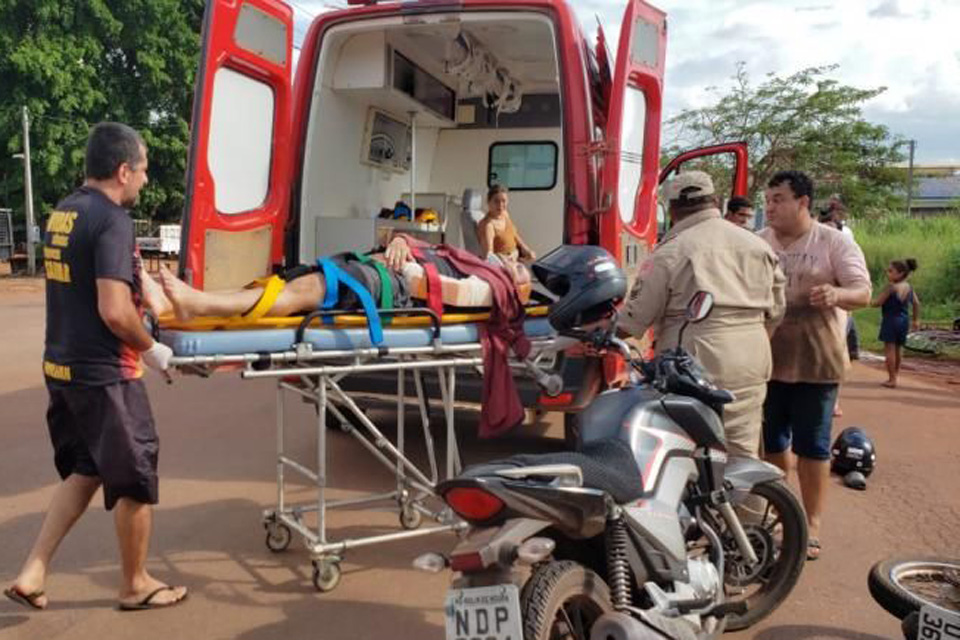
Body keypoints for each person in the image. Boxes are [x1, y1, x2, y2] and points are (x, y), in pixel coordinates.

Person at [4, 123, 186, 611]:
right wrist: (153, 348)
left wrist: (144, 287)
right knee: (135, 476)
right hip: (105, 375)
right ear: (123, 170)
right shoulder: (111, 219)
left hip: (62, 366)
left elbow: (100, 284)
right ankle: (136, 584)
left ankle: (33, 571)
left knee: (86, 470)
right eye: (143, 170)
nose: (146, 181)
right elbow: (112, 309)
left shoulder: (64, 212)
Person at [620, 171, 786, 460]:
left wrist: (598, 332)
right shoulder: (758, 246)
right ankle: (751, 504)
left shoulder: (670, 252)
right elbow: (777, 310)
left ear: (671, 210)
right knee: (742, 454)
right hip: (753, 357)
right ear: (716, 201)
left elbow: (635, 318)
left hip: (695, 364)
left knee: (687, 450)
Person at [758, 170, 871, 561]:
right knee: (772, 443)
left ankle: (812, 523)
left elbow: (864, 292)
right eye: (767, 200)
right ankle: (779, 513)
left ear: (803, 202)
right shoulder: (758, 243)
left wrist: (837, 293)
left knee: (814, 447)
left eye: (778, 199)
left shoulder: (833, 242)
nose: (769, 207)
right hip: (768, 360)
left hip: (817, 361)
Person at [157, 234, 532, 323]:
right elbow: (429, 251)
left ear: (514, 287)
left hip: (392, 288)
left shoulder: (491, 290)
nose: (512, 259)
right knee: (287, 280)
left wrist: (405, 264)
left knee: (306, 290)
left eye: (518, 268)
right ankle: (182, 303)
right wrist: (401, 241)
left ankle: (198, 304)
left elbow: (433, 289)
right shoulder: (477, 263)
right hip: (379, 268)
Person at [873, 258, 921, 388]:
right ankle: (895, 376)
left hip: (890, 320)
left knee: (889, 350)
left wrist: (864, 301)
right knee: (899, 349)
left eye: (890, 271)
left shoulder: (891, 287)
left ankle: (891, 379)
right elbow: (916, 303)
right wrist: (916, 320)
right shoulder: (909, 287)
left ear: (900, 274)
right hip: (903, 321)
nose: (887, 273)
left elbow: (878, 303)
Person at [477, 185, 536, 266]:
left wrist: (526, 249)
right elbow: (488, 257)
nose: (500, 205)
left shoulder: (505, 214)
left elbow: (514, 234)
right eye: (496, 201)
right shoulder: (488, 225)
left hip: (516, 259)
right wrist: (508, 258)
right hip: (505, 266)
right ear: (488, 202)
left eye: (503, 201)